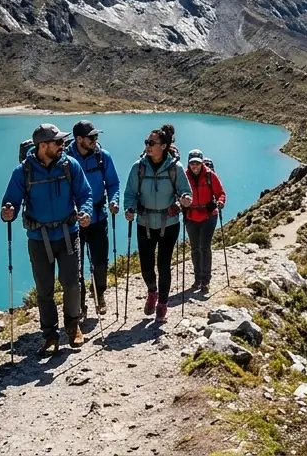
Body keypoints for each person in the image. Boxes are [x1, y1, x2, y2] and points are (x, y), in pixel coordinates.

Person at [1, 123, 94, 353]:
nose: (64, 146)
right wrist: (7, 212)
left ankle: (73, 328)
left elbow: (85, 193)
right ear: (43, 146)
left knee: (72, 283)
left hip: (67, 233)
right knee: (44, 289)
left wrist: (86, 212)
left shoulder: (69, 166)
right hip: (38, 237)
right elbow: (10, 200)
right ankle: (50, 334)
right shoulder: (23, 172)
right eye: (59, 142)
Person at [123, 126, 191, 320]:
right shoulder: (139, 167)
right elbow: (130, 193)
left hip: (168, 223)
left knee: (164, 264)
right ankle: (152, 291)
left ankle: (162, 302)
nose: (148, 146)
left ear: (163, 146)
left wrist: (182, 201)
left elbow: (185, 191)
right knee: (146, 265)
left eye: (152, 143)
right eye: (147, 142)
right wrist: (130, 208)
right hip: (144, 222)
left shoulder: (175, 168)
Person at [67, 120, 120, 316]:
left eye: (96, 136)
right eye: (92, 137)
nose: (95, 140)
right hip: (74, 221)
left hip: (98, 217)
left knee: (100, 261)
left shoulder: (102, 157)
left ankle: (99, 294)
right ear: (79, 139)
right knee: (76, 265)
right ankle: (80, 303)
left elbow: (113, 183)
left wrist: (114, 201)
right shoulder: (66, 159)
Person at [182, 149, 226, 298]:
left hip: (208, 216)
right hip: (191, 216)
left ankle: (205, 280)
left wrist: (220, 202)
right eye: (192, 163)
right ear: (189, 163)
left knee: (204, 247)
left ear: (202, 163)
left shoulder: (210, 176)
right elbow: (177, 193)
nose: (195, 166)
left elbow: (220, 193)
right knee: (195, 248)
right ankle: (197, 278)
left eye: (197, 163)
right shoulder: (183, 176)